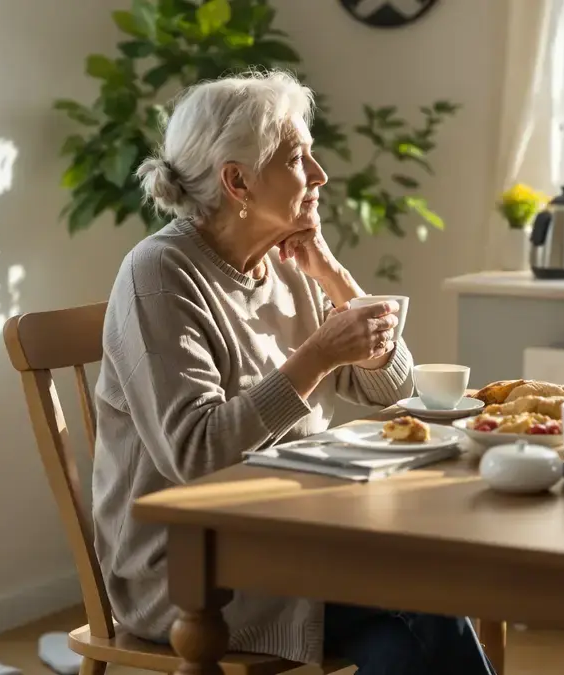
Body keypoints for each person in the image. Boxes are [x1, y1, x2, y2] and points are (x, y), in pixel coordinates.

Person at [90, 69, 496, 675]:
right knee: (427, 601)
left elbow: (391, 388)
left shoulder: (284, 263)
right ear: (237, 182)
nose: (321, 176)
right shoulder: (158, 274)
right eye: (299, 158)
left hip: (294, 536)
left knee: (403, 639)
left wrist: (333, 276)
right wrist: (317, 357)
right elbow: (194, 454)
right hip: (187, 567)